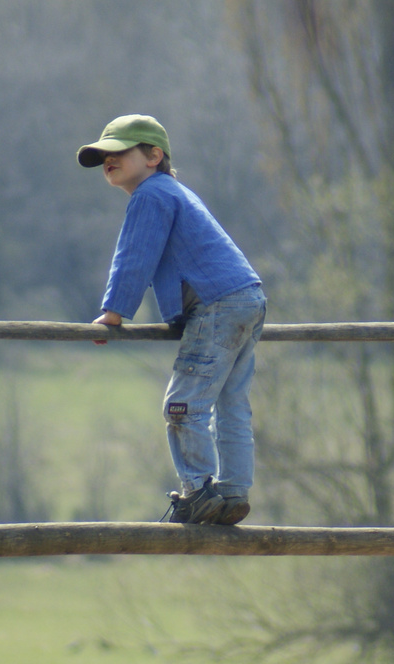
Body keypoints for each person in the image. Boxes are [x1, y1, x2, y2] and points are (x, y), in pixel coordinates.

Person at [81, 114, 265, 525]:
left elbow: (135, 256)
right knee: (231, 401)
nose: (107, 160)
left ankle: (198, 491)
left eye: (117, 152)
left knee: (181, 406)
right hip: (247, 298)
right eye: (102, 157)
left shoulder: (150, 196)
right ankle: (234, 492)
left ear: (154, 155)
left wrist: (113, 314)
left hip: (218, 305)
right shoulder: (173, 191)